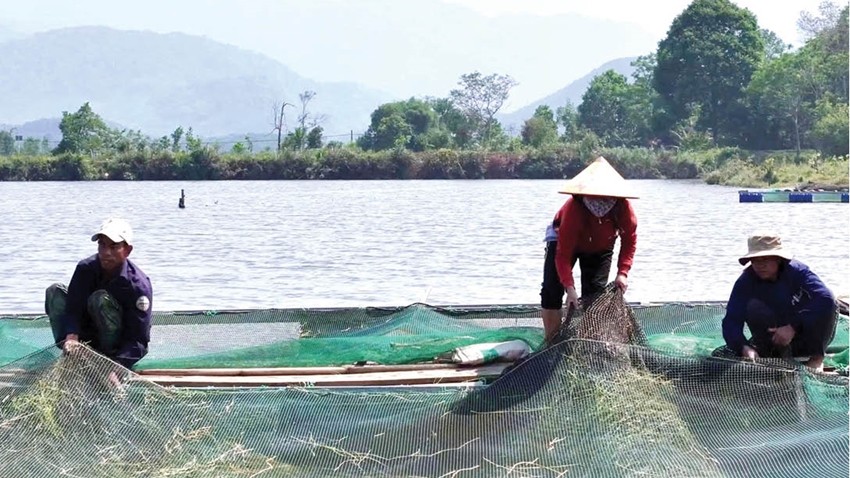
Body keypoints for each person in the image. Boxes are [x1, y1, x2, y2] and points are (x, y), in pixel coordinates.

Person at [540, 156, 638, 342]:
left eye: (606, 197)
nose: (600, 202)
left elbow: (629, 241)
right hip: (563, 242)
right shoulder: (574, 209)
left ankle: (589, 343)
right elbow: (563, 254)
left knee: (594, 295)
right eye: (595, 197)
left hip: (600, 245)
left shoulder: (624, 209)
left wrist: (623, 272)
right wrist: (570, 288)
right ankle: (551, 342)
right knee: (552, 290)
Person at [45, 217, 153, 370]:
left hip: (115, 349)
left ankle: (105, 360)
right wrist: (71, 334)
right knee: (54, 292)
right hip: (86, 339)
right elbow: (73, 308)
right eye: (102, 245)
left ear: (127, 250)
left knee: (99, 299)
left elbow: (139, 340)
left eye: (114, 246)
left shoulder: (138, 286)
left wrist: (117, 367)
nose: (106, 252)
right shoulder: (85, 269)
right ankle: (72, 355)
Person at [721, 233, 836, 371]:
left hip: (804, 330)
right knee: (754, 307)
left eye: (766, 259)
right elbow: (731, 321)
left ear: (778, 259)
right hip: (773, 336)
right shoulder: (745, 282)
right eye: (755, 260)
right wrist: (743, 347)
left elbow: (825, 298)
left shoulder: (798, 272)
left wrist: (793, 327)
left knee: (828, 305)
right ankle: (773, 356)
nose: (760, 265)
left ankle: (817, 358)